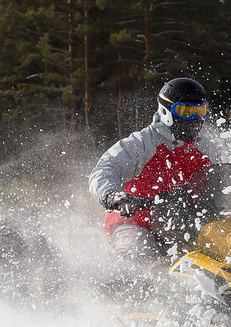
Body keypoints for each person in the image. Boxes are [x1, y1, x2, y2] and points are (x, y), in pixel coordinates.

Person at [88, 77, 220, 260]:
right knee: (143, 256)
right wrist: (112, 195)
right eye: (186, 112)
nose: (195, 119)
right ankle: (134, 285)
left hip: (182, 227)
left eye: (200, 111)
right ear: (167, 111)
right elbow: (105, 169)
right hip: (136, 223)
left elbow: (227, 180)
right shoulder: (142, 143)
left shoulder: (207, 148)